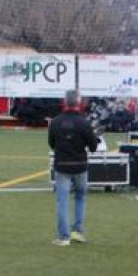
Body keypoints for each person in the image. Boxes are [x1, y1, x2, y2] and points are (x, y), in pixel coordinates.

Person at [47, 90, 99, 247]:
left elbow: (52, 143)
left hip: (62, 164)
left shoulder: (56, 121)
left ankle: (63, 237)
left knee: (62, 200)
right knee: (80, 197)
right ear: (78, 102)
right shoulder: (83, 122)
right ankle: (77, 231)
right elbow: (93, 147)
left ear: (64, 101)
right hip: (80, 165)